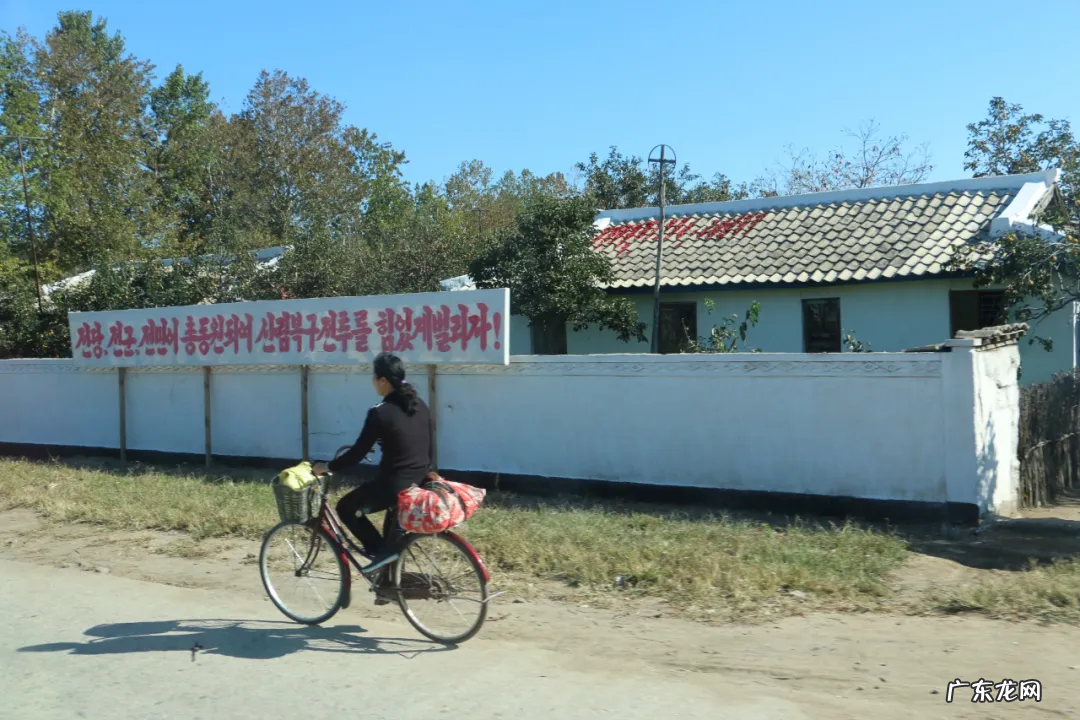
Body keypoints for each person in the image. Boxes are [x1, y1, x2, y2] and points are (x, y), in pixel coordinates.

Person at [311, 352, 432, 584]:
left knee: (346, 507)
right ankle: (389, 580)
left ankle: (381, 557)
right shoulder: (420, 405)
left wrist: (327, 467)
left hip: (395, 484)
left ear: (383, 380)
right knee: (390, 530)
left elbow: (358, 452)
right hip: (419, 478)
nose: (373, 381)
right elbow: (427, 445)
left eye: (373, 377)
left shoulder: (380, 412)